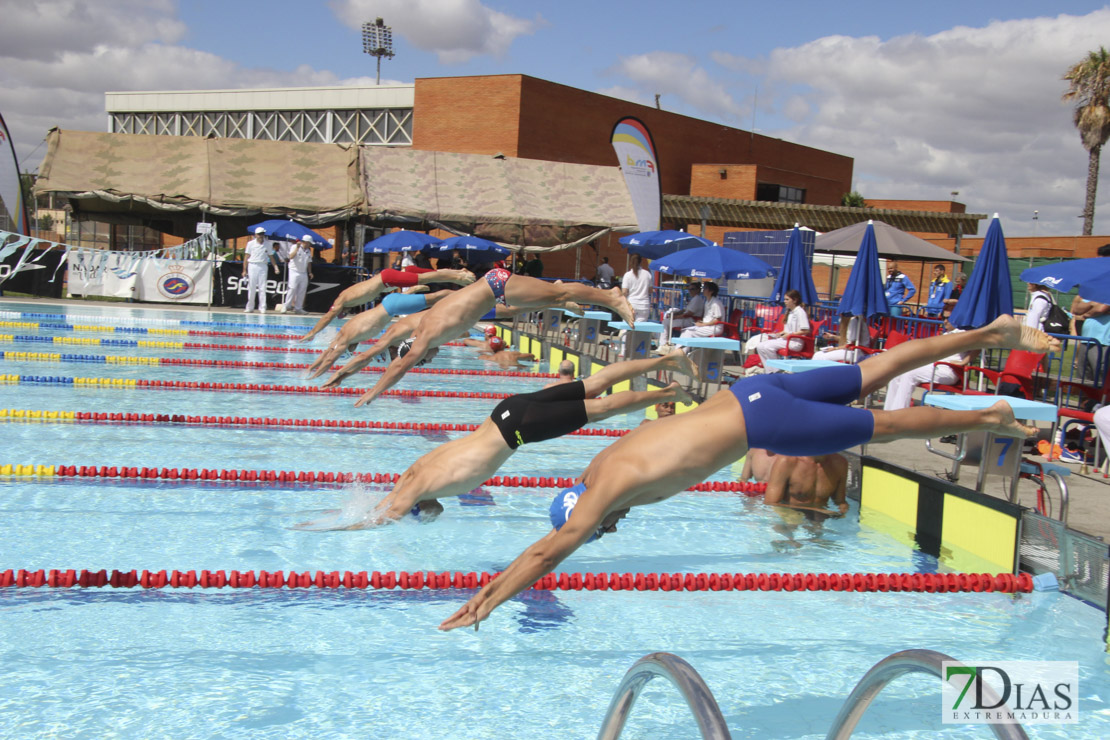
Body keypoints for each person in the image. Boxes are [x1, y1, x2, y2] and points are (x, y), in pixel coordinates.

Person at [438, 316, 1059, 630]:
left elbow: (547, 553)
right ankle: (993, 332)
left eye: (599, 529)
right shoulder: (602, 464)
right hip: (757, 392)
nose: (608, 530)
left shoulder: (610, 491)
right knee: (879, 367)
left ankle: (990, 413)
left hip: (767, 424)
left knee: (890, 428)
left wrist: (485, 601)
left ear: (587, 515)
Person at [300, 351, 698, 530]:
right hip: (504, 411)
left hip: (517, 430)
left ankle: (668, 393)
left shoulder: (417, 485)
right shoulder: (417, 470)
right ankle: (663, 360)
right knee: (594, 383)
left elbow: (387, 514)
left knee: (604, 407)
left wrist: (337, 531)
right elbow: (409, 504)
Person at [346, 270, 637, 407]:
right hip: (496, 292)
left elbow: (399, 365)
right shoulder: (438, 328)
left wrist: (373, 392)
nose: (425, 362)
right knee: (555, 296)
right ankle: (559, 297)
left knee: (562, 292)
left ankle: (610, 296)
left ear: (419, 352)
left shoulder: (429, 335)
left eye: (420, 361)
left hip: (496, 283)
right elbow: (498, 311)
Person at [298, 266, 476, 342]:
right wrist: (411, 289)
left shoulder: (341, 301)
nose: (343, 314)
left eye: (342, 314)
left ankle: (459, 274)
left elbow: (328, 317)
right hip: (388, 281)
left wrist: (312, 332)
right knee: (426, 274)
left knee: (431, 276)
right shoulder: (351, 297)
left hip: (387, 279)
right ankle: (457, 275)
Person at [305, 290, 454, 379]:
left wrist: (333, 375)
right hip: (391, 306)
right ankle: (413, 290)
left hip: (392, 306)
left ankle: (466, 291)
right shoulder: (348, 338)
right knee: (434, 301)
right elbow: (331, 354)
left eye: (347, 353)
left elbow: (337, 358)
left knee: (435, 298)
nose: (350, 352)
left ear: (391, 351)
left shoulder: (348, 338)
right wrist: (311, 368)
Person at [881, 324, 975, 411]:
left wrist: (964, 362)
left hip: (948, 371)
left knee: (909, 374)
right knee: (899, 371)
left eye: (947, 319)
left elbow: (978, 347)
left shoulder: (963, 333)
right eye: (944, 318)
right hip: (935, 367)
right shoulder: (947, 334)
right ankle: (888, 411)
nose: (945, 321)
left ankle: (898, 413)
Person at [1071, 243, 1110, 381]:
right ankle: (1085, 402)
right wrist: (1094, 303)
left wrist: (1088, 310)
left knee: (1100, 378)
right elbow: (1076, 307)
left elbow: (1102, 308)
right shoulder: (1096, 284)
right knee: (1082, 379)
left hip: (1104, 341)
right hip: (1086, 338)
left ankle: (1101, 403)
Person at [763, 453, 848, 515]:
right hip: (789, 521)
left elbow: (840, 501)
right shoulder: (787, 461)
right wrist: (818, 511)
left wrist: (843, 509)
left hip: (818, 524)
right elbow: (770, 503)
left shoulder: (840, 463)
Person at [749, 289, 810, 369]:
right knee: (760, 346)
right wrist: (779, 334)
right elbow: (787, 331)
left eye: (787, 299)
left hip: (794, 342)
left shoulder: (800, 312)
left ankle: (776, 370)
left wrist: (790, 335)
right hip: (785, 340)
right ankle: (769, 370)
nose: (785, 301)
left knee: (768, 347)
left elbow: (806, 330)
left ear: (795, 300)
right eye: (784, 299)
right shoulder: (790, 312)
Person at [243, 227, 280, 313]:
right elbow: (246, 257)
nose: (261, 236)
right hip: (252, 265)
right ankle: (250, 307)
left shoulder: (268, 244)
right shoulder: (250, 244)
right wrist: (244, 270)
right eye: (259, 234)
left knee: (262, 287)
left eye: (262, 234)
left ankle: (262, 307)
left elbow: (271, 257)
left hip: (263, 266)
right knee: (251, 287)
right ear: (255, 235)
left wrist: (275, 267)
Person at [658, 281, 704, 350]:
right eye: (689, 289)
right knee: (666, 321)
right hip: (688, 319)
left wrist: (675, 317)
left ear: (698, 290)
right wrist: (676, 313)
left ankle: (662, 344)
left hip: (691, 320)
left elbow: (689, 313)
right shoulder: (695, 299)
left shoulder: (697, 299)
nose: (690, 291)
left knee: (666, 322)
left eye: (692, 289)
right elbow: (686, 310)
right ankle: (664, 343)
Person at [281, 235, 315, 314]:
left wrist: (310, 272)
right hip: (294, 270)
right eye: (309, 243)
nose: (310, 245)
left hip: (303, 272)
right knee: (292, 288)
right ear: (305, 242)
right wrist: (297, 248)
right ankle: (286, 306)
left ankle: (298, 308)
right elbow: (290, 256)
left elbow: (309, 262)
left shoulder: (308, 251)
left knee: (302, 290)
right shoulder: (294, 247)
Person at [621, 254, 654, 323]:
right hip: (644, 305)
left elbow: (624, 292)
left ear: (631, 262)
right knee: (639, 330)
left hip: (631, 303)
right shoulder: (647, 274)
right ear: (641, 262)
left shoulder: (627, 275)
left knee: (627, 327)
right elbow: (650, 290)